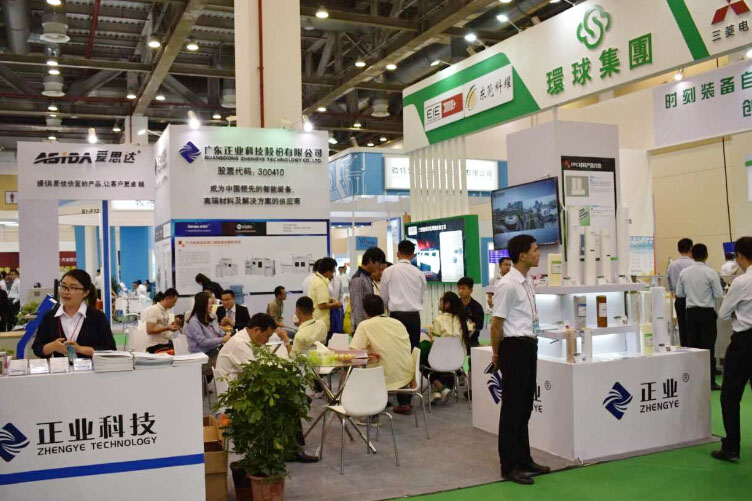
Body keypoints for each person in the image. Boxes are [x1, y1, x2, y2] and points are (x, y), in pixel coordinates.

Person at [214, 313, 316, 463]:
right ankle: (293, 450)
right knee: (289, 401)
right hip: (237, 397)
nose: (267, 341)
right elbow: (257, 374)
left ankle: (291, 448)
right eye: (267, 336)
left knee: (290, 396)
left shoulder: (243, 339)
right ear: (256, 330)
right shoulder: (240, 344)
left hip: (241, 389)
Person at [490, 234, 550, 485]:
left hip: (528, 346)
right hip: (513, 348)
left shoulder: (526, 282)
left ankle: (524, 459)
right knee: (512, 408)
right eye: (535, 250)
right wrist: (496, 354)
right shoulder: (507, 284)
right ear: (522, 255)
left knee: (525, 406)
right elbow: (496, 324)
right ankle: (509, 465)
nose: (539, 254)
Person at [713, 236, 752, 463]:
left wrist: (740, 314)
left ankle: (731, 448)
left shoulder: (741, 282)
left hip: (744, 343)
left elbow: (724, 313)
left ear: (739, 256)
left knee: (730, 396)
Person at [350, 294, 414, 414]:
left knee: (356, 370)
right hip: (406, 377)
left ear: (365, 311)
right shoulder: (397, 323)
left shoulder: (365, 325)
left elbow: (353, 353)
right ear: (383, 308)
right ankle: (401, 402)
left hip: (382, 380)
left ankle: (369, 412)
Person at [32, 269, 116, 358]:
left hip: (91, 367)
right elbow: (37, 348)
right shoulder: (50, 317)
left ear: (86, 292)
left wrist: (80, 349)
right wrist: (52, 346)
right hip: (61, 367)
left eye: (73, 288)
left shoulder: (97, 317)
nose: (66, 292)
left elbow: (110, 349)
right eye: (63, 286)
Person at [676, 244, 724, 391]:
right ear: (706, 255)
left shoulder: (684, 273)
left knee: (693, 348)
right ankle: (709, 382)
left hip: (690, 313)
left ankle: (693, 380)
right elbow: (719, 294)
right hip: (707, 313)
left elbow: (679, 293)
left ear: (692, 255)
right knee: (708, 348)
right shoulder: (711, 273)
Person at [424, 291, 472, 404]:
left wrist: (430, 336)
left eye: (441, 300)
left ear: (447, 304)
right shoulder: (462, 320)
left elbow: (435, 343)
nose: (439, 302)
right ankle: (438, 390)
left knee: (422, 352)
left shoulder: (438, 320)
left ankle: (439, 386)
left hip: (440, 360)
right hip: (458, 360)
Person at [381, 240, 427, 348]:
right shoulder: (419, 273)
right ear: (413, 255)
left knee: (396, 349)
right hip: (414, 317)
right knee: (413, 349)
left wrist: (388, 308)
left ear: (398, 254)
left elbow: (384, 297)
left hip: (396, 316)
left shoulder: (388, 271)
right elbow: (421, 297)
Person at [184, 291, 231, 364]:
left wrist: (229, 335)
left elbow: (219, 332)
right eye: (209, 304)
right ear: (202, 305)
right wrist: (222, 339)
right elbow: (203, 341)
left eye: (212, 303)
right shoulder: (194, 322)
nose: (212, 306)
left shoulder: (212, 317)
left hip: (214, 352)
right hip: (202, 357)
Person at [349, 247, 387, 330]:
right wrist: (360, 327)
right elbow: (357, 306)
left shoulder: (367, 277)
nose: (379, 266)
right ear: (370, 260)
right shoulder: (358, 279)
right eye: (378, 262)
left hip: (368, 324)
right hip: (362, 326)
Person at [667, 238, 694, 347]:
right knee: (693, 329)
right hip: (693, 299)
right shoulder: (694, 264)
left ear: (678, 249)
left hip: (679, 300)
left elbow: (669, 284)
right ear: (691, 248)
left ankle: (684, 349)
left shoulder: (672, 265)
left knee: (682, 328)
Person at [309, 257, 342, 333]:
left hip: (316, 319)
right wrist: (335, 304)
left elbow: (317, 299)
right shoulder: (320, 283)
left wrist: (329, 300)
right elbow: (322, 306)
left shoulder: (315, 279)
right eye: (333, 272)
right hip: (320, 321)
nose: (333, 275)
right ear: (327, 271)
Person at [142, 288, 180, 352]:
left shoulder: (166, 311)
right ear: (168, 298)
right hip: (154, 345)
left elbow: (162, 327)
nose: (174, 305)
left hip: (164, 343)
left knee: (179, 346)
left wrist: (172, 326)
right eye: (174, 302)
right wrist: (168, 328)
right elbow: (150, 330)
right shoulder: (154, 310)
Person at [457, 277, 485, 348]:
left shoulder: (477, 307)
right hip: (456, 340)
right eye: (459, 288)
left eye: (463, 289)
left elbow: (480, 325)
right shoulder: (455, 304)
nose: (460, 291)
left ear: (471, 290)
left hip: (472, 341)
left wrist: (472, 325)